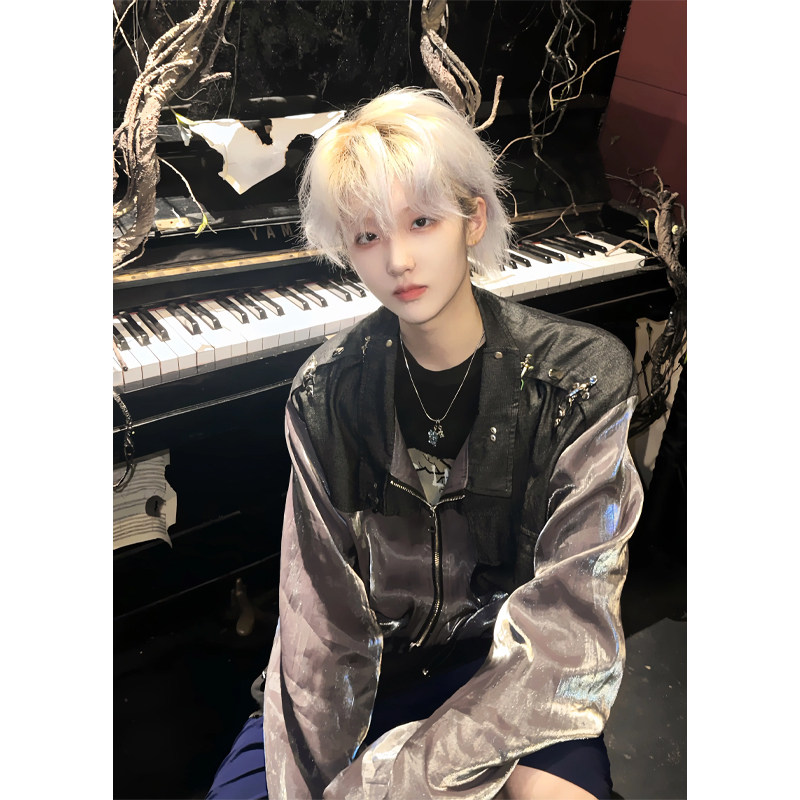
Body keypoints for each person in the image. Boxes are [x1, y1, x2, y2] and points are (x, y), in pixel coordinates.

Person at [207, 87, 643, 800]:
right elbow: (318, 624)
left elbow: (568, 635)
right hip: (361, 673)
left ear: (474, 219)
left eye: (421, 222)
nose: (398, 260)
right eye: (368, 236)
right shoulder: (326, 392)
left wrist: (385, 786)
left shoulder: (578, 382)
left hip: (509, 672)